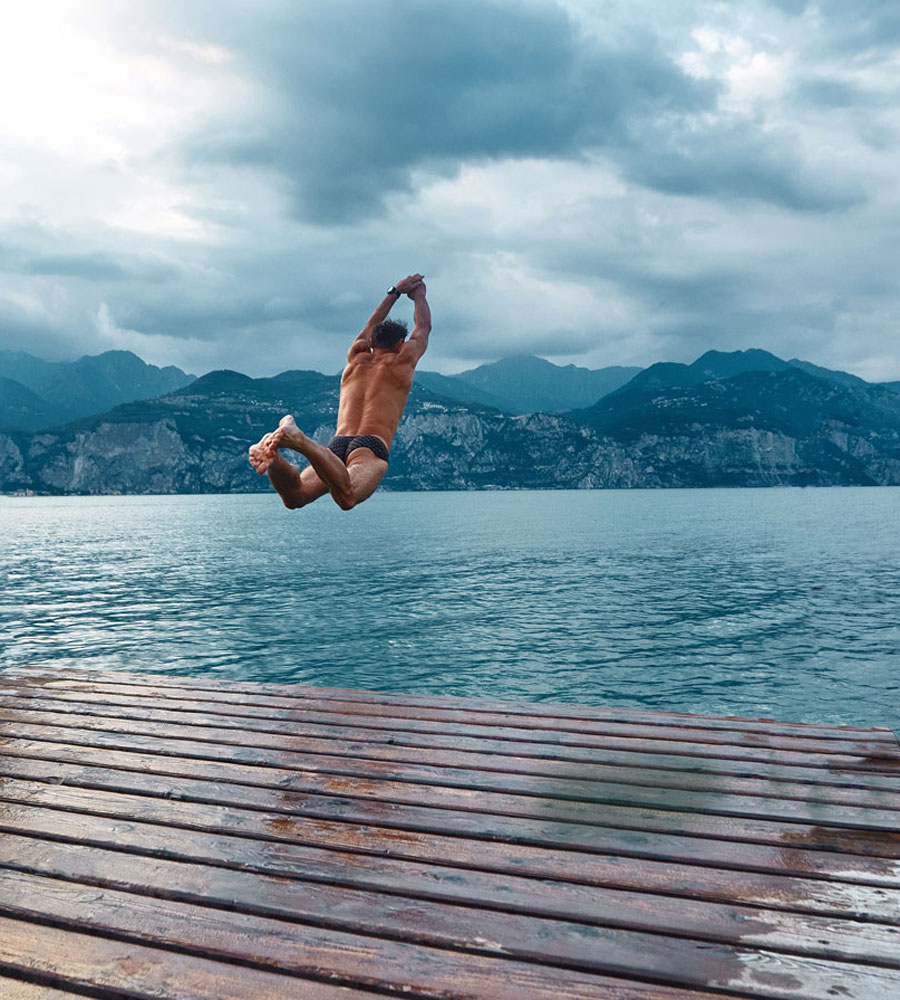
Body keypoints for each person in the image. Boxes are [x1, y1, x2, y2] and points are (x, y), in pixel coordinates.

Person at [249, 274, 431, 510]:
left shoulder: (356, 357)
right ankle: (300, 441)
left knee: (296, 497)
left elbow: (371, 324)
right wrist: (419, 296)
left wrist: (395, 291)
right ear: (399, 344)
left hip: (337, 445)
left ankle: (273, 458)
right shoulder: (402, 361)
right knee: (348, 497)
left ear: (372, 342)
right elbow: (424, 328)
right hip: (370, 444)